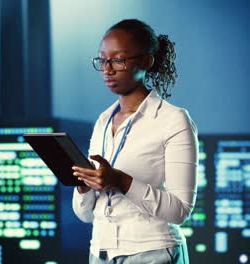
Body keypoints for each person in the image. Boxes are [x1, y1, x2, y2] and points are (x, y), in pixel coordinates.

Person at [71, 19, 198, 264]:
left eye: (118, 59)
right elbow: (86, 215)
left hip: (154, 253)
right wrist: (84, 185)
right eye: (102, 60)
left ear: (146, 61)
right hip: (100, 253)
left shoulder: (173, 120)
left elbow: (180, 211)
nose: (108, 69)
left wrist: (121, 181)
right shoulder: (103, 121)